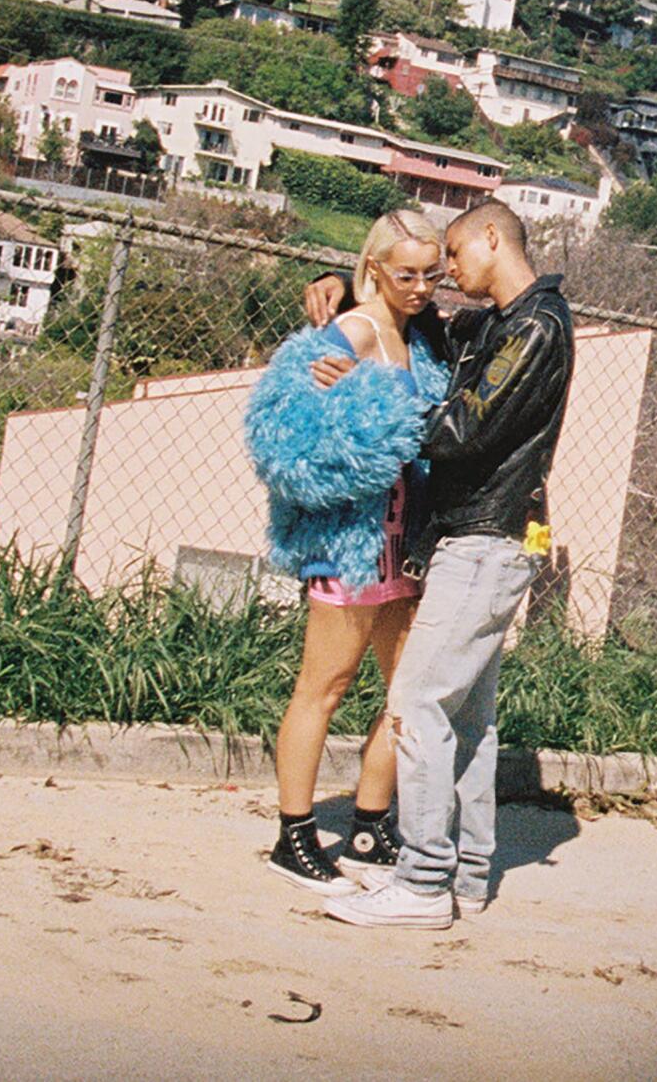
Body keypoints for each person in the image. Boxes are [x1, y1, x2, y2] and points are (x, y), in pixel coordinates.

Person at [299, 201, 573, 929]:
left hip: (485, 539)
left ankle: (421, 881)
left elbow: (460, 429)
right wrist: (341, 281)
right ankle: (469, 874)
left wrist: (361, 397)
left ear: (491, 237)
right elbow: (413, 321)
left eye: (454, 254)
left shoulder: (536, 328)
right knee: (470, 722)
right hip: (484, 539)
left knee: (416, 704)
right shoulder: (496, 325)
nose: (448, 272)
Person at [245, 210, 451, 895]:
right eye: (406, 274)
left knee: (406, 689)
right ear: (376, 270)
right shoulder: (353, 330)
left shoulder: (422, 340)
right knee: (324, 687)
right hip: (351, 543)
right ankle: (293, 833)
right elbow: (285, 430)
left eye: (431, 273)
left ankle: (368, 822)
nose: (420, 286)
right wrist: (341, 404)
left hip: (405, 547)